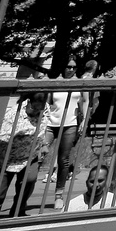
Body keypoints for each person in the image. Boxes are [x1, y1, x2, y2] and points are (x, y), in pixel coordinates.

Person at [0, 93, 49, 219]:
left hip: (30, 156)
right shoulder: (14, 114)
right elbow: (1, 139)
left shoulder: (44, 108)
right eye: (34, 108)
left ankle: (18, 213)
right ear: (28, 102)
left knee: (28, 181)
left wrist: (44, 143)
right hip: (8, 158)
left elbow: (44, 126)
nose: (37, 112)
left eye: (39, 109)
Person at [45, 58, 83, 209]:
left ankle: (59, 195)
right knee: (38, 156)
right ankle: (23, 193)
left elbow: (84, 102)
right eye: (68, 66)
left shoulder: (79, 84)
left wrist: (84, 119)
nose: (71, 69)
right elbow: (48, 102)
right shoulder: (56, 83)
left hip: (70, 124)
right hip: (51, 123)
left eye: (74, 67)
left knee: (64, 159)